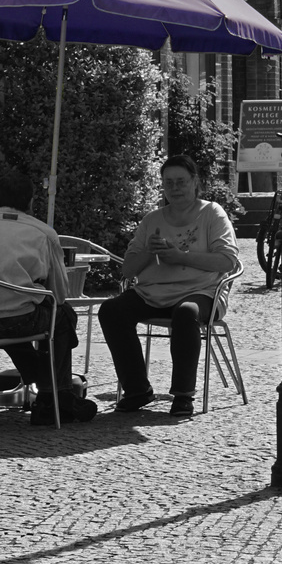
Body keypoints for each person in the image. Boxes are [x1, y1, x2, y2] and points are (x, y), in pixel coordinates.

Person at [0, 171, 98, 426]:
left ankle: (53, 395)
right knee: (61, 317)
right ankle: (55, 398)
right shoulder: (42, 232)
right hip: (18, 320)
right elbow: (59, 293)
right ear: (30, 202)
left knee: (16, 314)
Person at [99, 155, 239, 418]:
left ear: (195, 182)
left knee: (186, 313)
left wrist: (181, 257)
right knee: (111, 310)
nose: (175, 188)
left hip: (202, 293)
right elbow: (127, 270)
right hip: (152, 293)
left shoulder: (212, 213)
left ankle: (183, 395)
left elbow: (228, 260)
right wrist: (148, 253)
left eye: (181, 182)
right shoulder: (152, 219)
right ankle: (137, 390)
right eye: (169, 183)